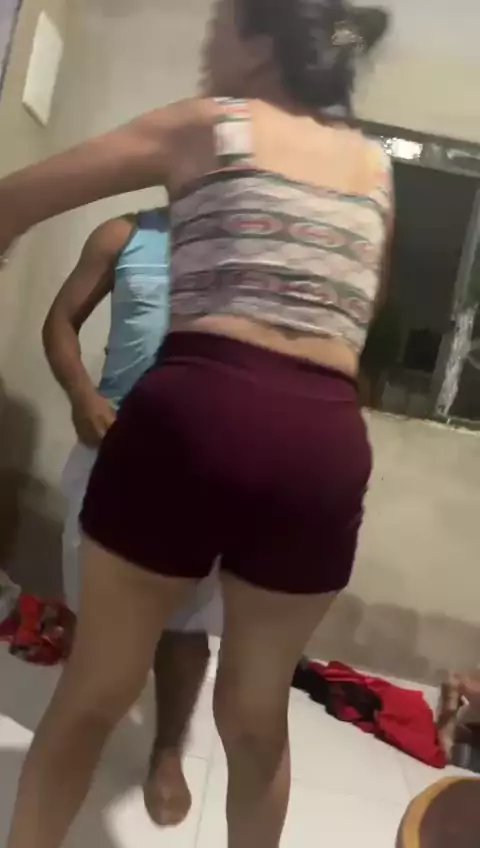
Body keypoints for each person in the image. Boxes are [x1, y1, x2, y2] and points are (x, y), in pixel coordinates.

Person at [1, 1, 393, 845]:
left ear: (260, 40)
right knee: (257, 719)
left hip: (198, 415)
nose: (207, 50)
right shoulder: (375, 167)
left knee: (93, 694)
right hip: (324, 445)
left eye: (218, 29)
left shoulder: (213, 124)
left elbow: (14, 200)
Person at [42, 207, 222, 826]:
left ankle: (167, 750)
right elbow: (60, 321)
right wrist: (81, 395)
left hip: (204, 459)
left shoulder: (252, 251)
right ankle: (83, 727)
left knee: (188, 617)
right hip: (111, 443)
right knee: (92, 605)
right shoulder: (124, 235)